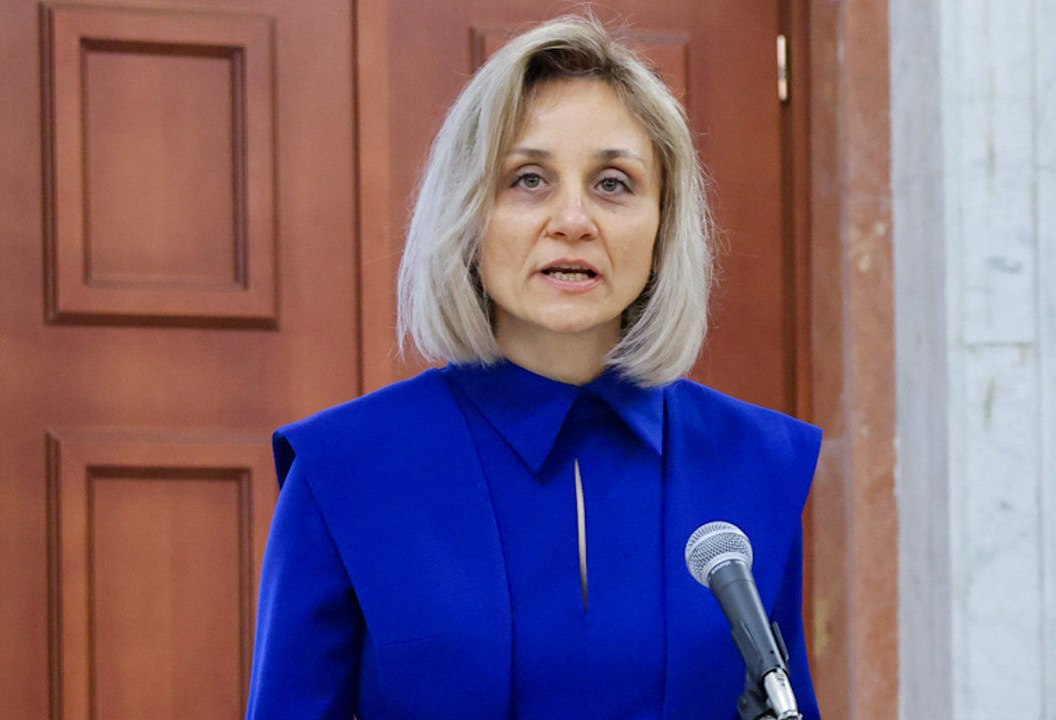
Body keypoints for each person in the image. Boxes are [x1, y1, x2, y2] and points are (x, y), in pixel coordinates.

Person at [246, 15, 822, 719]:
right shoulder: (344, 469)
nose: (573, 220)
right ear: (469, 214)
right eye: (528, 180)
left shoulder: (756, 464)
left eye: (613, 183)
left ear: (663, 223)